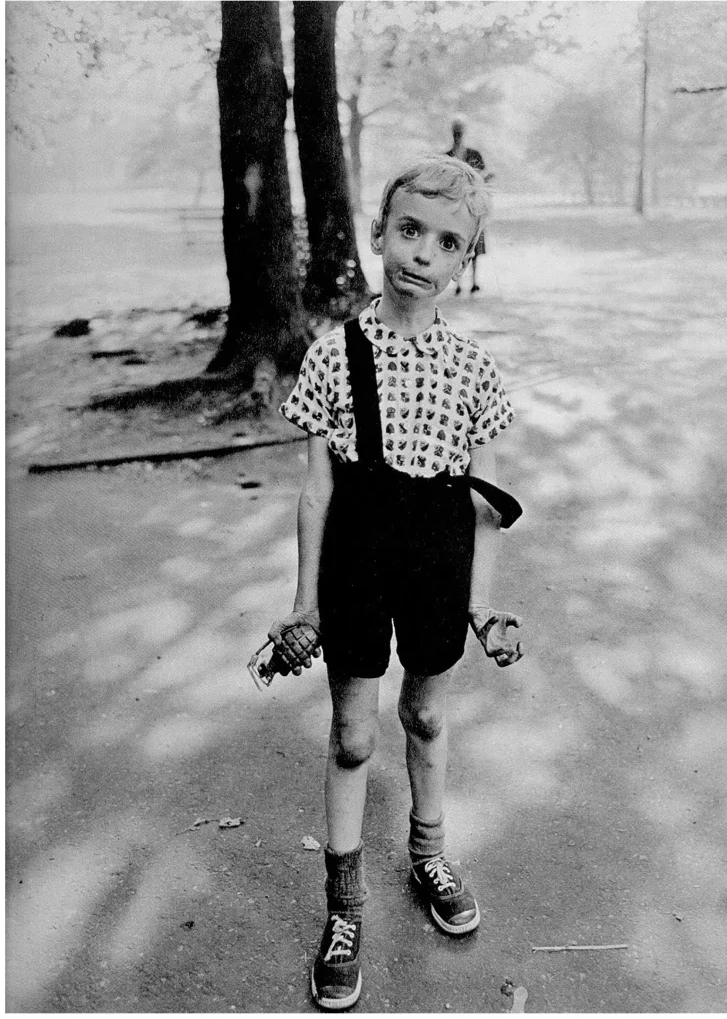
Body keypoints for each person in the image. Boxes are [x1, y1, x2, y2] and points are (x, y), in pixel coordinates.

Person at [268, 156, 524, 1011]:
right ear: (379, 232)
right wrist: (303, 602)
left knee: (423, 714)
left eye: (446, 242)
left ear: (466, 262)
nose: (422, 253)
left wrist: (483, 605)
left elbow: (487, 502)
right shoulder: (333, 356)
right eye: (409, 230)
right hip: (355, 559)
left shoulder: (475, 371)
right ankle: (342, 912)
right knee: (351, 735)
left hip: (439, 561)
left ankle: (429, 854)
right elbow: (315, 491)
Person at [445, 118, 493, 295]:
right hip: (454, 209)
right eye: (455, 131)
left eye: (460, 131)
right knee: (456, 245)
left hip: (473, 207)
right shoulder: (446, 156)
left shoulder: (474, 155)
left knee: (474, 245)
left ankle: (474, 281)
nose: (457, 135)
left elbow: (484, 176)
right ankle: (457, 283)